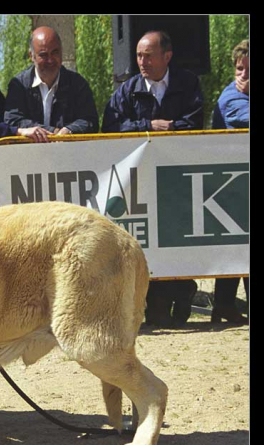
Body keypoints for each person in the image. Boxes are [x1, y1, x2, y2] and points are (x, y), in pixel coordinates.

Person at [102, 30, 204, 328]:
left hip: (177, 176)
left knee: (177, 233)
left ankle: (185, 291)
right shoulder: (128, 89)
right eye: (138, 55)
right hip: (141, 180)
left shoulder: (188, 83)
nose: (142, 61)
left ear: (167, 56)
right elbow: (111, 124)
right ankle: (157, 302)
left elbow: (196, 120)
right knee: (149, 239)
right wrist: (147, 125)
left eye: (148, 55)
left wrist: (171, 127)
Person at [210, 39, 249, 324]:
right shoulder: (230, 98)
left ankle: (223, 306)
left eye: (249, 71)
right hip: (231, 182)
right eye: (239, 70)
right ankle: (222, 306)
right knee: (237, 243)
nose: (243, 77)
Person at [4, 26, 99, 142]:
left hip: (68, 154)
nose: (50, 60)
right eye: (43, 55)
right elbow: (12, 120)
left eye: (55, 52)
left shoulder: (77, 84)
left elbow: (90, 120)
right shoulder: (19, 85)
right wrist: (51, 131)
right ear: (31, 56)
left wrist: (69, 130)